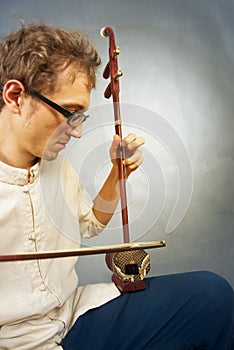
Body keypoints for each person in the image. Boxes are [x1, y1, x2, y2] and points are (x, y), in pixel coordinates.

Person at [0, 22, 233, 350]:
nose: (76, 132)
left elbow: (92, 222)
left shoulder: (58, 167)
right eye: (68, 112)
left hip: (75, 318)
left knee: (212, 295)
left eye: (80, 116)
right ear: (15, 97)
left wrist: (117, 173)